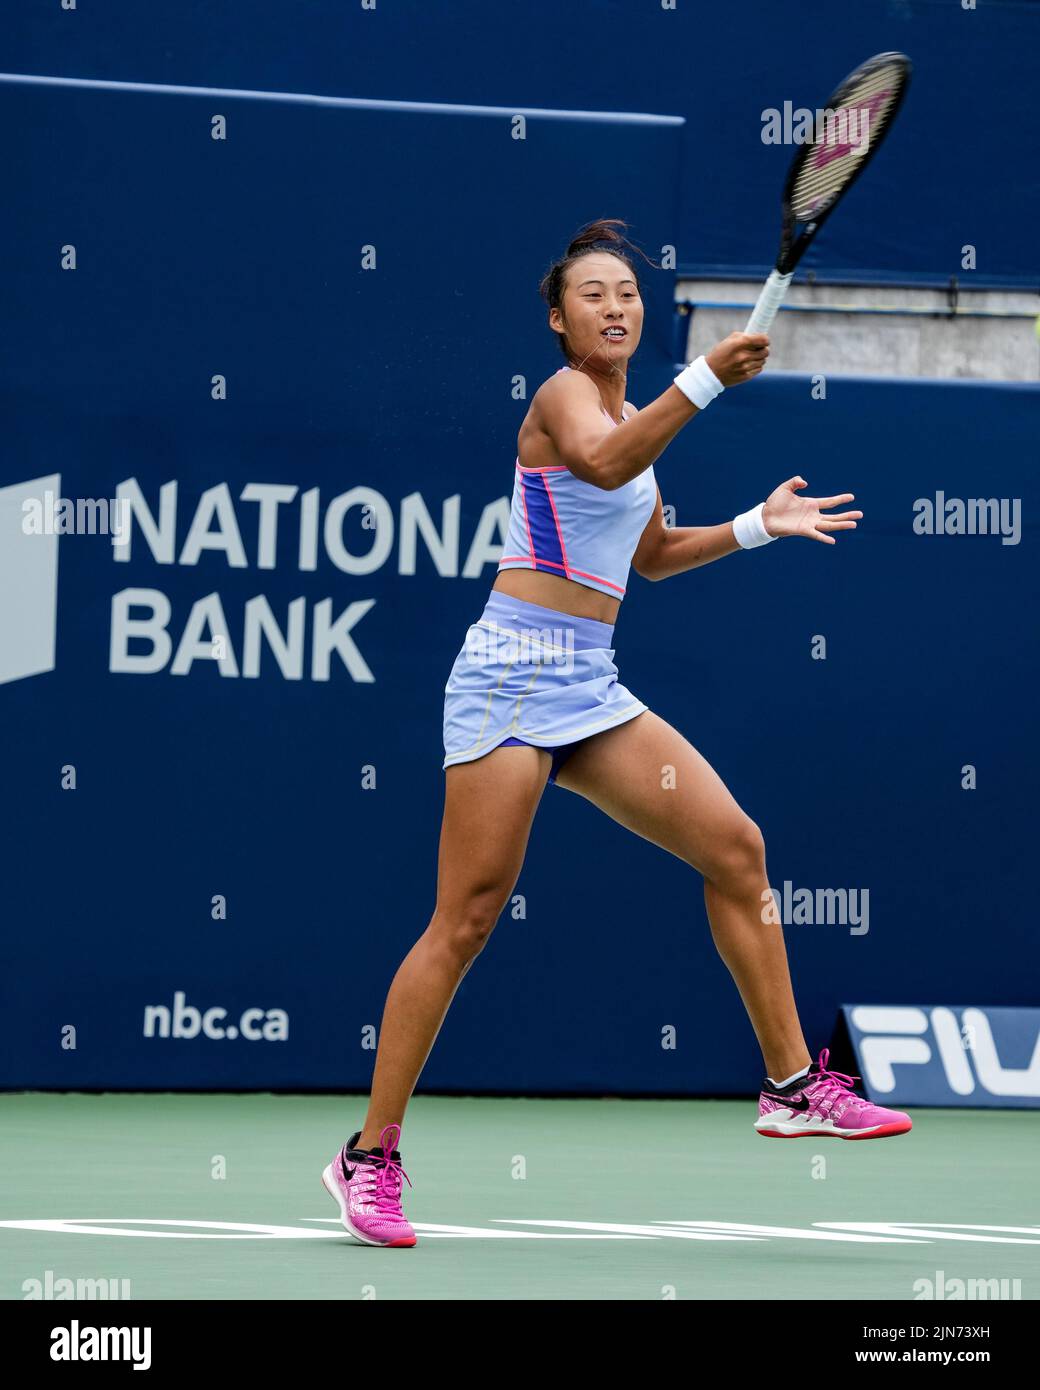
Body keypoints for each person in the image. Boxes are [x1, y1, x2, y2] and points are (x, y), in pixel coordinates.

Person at [321, 218, 911, 1249]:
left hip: (588, 686)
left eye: (626, 293)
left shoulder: (634, 415)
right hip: (511, 674)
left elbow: (646, 553)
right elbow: (597, 467)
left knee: (735, 847)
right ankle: (368, 1156)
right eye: (591, 293)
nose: (613, 305)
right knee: (463, 920)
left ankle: (787, 1085)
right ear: (558, 318)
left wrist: (752, 527)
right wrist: (709, 379)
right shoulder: (563, 402)